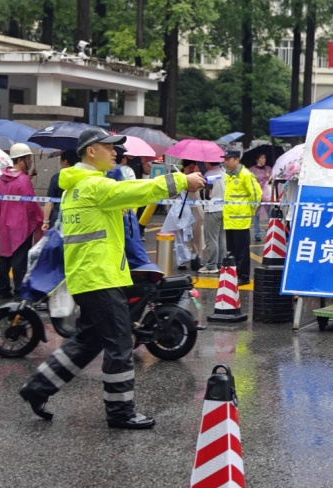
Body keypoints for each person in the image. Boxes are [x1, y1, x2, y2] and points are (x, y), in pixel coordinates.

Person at [18, 127, 205, 429]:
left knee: (88, 341)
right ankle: (121, 412)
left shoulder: (76, 186)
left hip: (89, 277)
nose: (116, 152)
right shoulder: (93, 185)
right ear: (91, 151)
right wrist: (183, 180)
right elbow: (138, 191)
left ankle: (38, 387)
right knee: (119, 344)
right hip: (98, 278)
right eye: (109, 147)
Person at [0, 143, 43, 299]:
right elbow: (31, 203)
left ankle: (3, 290)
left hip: (4, 223)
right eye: (28, 159)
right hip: (22, 225)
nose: (30, 162)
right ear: (21, 160)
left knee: (4, 256)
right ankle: (19, 290)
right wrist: (40, 219)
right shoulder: (23, 180)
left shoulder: (2, 179)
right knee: (19, 259)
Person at [223, 148, 261, 285]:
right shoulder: (228, 175)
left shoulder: (245, 174)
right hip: (229, 220)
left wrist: (251, 211)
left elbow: (256, 194)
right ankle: (233, 274)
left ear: (237, 160)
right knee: (232, 251)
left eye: (228, 160)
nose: (225, 162)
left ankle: (243, 276)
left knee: (242, 252)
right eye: (225, 160)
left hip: (241, 220)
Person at [43, 150, 79, 230]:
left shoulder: (56, 178)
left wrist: (46, 221)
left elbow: (49, 201)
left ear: (65, 162)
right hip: (76, 216)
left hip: (58, 216)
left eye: (61, 161)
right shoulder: (82, 177)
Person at [202, 160, 227, 274]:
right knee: (221, 238)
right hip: (224, 208)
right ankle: (221, 263)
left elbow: (206, 193)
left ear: (208, 163)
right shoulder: (224, 173)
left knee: (211, 238)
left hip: (212, 208)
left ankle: (211, 265)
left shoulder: (209, 175)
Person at [250, 153, 272, 243]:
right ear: (257, 159)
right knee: (256, 216)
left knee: (269, 214)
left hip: (266, 194)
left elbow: (272, 180)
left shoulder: (268, 169)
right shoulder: (251, 170)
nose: (264, 160)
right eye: (262, 158)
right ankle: (257, 234)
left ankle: (271, 232)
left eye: (264, 158)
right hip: (256, 194)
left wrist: (268, 178)